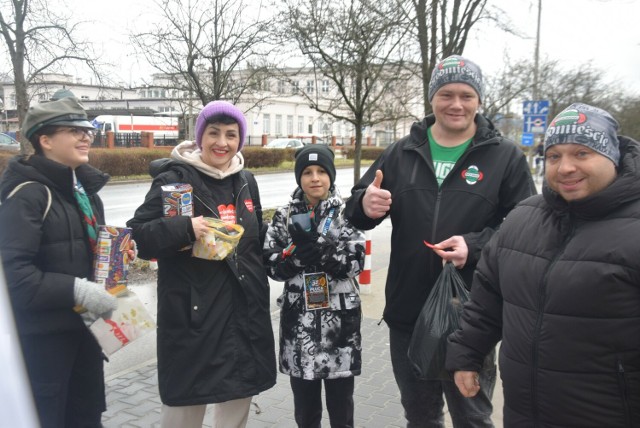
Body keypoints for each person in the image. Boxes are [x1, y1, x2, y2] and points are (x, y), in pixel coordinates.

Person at [344, 54, 536, 427]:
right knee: (419, 416)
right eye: (446, 94)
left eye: (466, 95)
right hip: (408, 311)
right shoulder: (402, 152)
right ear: (432, 99)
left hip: (472, 314)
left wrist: (475, 246)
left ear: (479, 100)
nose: (456, 104)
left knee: (472, 416)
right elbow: (355, 209)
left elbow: (525, 227)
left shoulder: (505, 156)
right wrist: (365, 204)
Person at [447, 103, 640, 427]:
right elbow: (487, 299)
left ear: (613, 158)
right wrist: (466, 356)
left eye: (582, 154)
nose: (565, 167)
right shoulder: (523, 217)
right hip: (524, 412)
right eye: (554, 156)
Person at [127, 100, 276, 428]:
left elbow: (256, 240)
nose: (222, 142)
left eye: (231, 134)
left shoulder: (246, 181)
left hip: (244, 316)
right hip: (194, 320)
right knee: (184, 412)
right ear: (200, 136)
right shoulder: (176, 179)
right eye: (214, 133)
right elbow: (139, 237)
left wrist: (283, 249)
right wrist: (185, 227)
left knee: (236, 407)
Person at [0, 97, 121, 427]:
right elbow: (15, 278)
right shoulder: (28, 193)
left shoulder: (83, 191)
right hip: (43, 347)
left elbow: (87, 258)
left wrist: (118, 257)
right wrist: (79, 291)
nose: (86, 137)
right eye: (73, 130)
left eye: (87, 130)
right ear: (45, 140)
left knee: (86, 418)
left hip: (84, 337)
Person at [263, 145, 366, 428]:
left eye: (322, 171)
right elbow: (271, 265)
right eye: (307, 172)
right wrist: (296, 258)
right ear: (299, 178)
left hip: (340, 330)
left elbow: (356, 263)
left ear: (331, 176)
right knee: (306, 412)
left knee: (341, 409)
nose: (315, 178)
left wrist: (323, 253)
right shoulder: (283, 216)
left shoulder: (348, 214)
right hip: (299, 329)